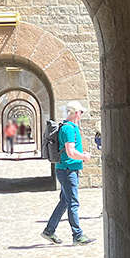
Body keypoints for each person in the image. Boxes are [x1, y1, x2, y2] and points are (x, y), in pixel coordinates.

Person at [42, 101, 94, 245]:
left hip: (65, 168)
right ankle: (77, 235)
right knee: (73, 202)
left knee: (65, 201)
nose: (81, 115)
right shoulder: (69, 129)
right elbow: (70, 152)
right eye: (81, 112)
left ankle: (49, 231)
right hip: (68, 170)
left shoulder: (66, 127)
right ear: (77, 113)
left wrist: (81, 154)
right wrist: (84, 157)